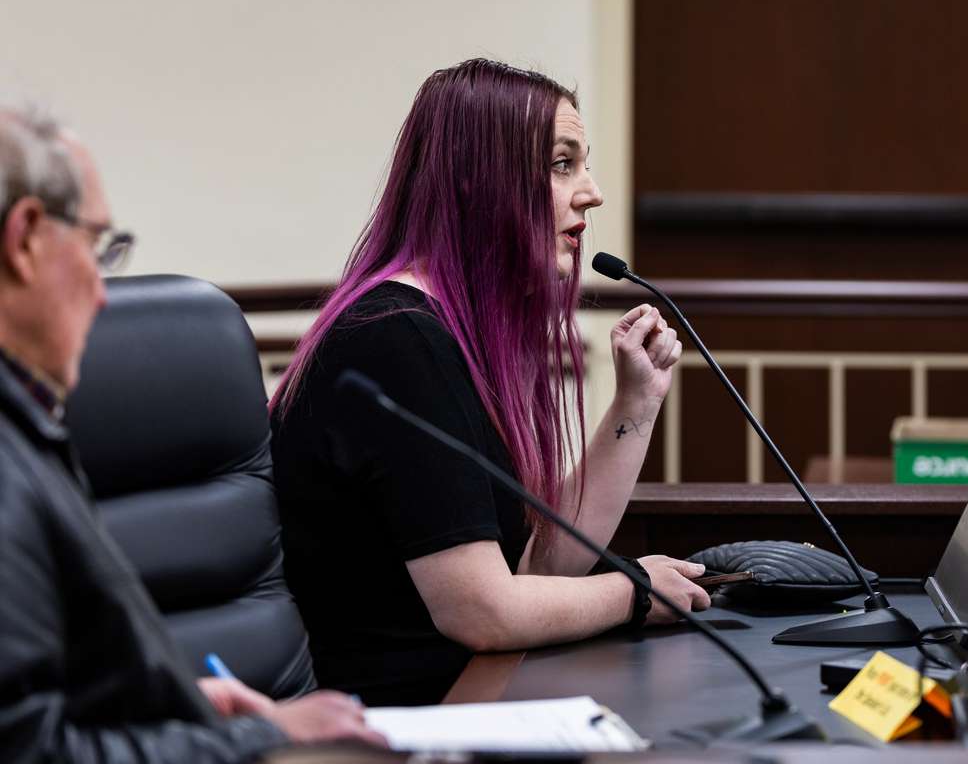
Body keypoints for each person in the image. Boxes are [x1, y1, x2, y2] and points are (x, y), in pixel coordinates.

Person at [269, 59, 711, 706]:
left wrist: (636, 404)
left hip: (470, 694)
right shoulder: (394, 338)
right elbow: (483, 612)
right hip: (394, 740)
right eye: (563, 164)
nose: (591, 192)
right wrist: (636, 590)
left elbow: (534, 569)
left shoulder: (453, 330)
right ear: (482, 182)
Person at [0, 105, 385, 764]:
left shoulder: (28, 426)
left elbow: (51, 691)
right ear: (24, 239)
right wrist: (257, 739)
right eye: (98, 247)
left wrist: (179, 703)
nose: (101, 287)